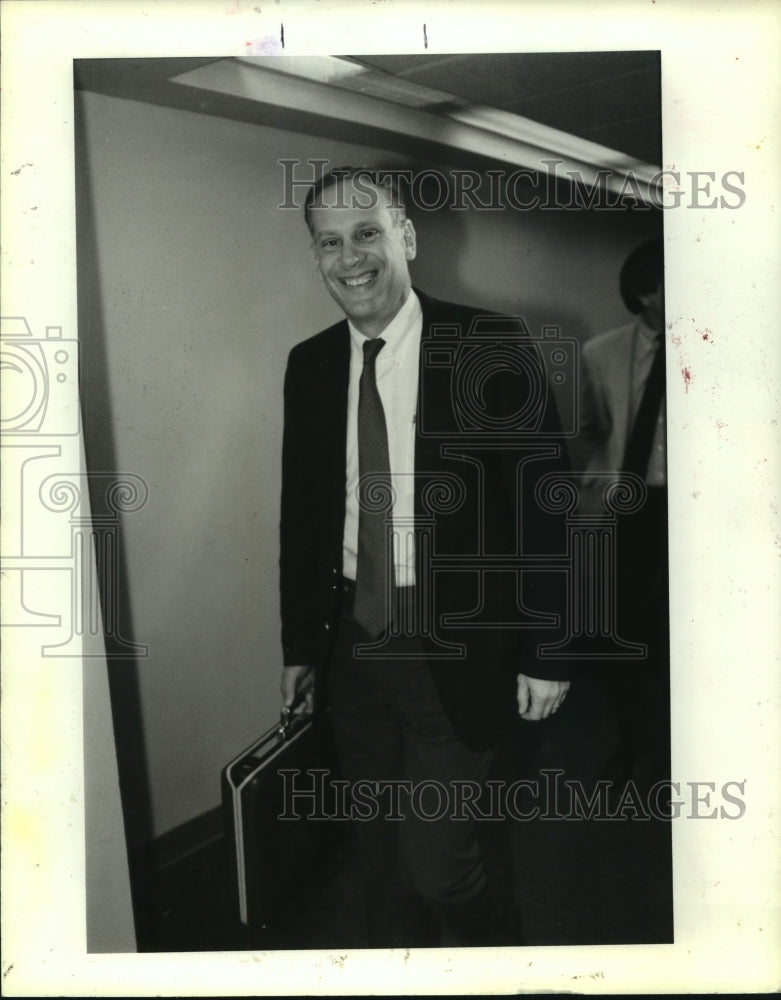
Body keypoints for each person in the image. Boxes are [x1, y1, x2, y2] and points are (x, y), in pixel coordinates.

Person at [278, 165, 572, 948]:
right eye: (329, 242)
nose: (351, 258)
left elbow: (547, 512)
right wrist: (301, 643)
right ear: (315, 256)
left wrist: (547, 651)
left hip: (456, 649)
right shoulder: (308, 364)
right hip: (353, 649)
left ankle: (497, 953)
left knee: (437, 864)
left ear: (405, 236)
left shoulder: (490, 345)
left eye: (367, 233)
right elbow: (301, 516)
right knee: (377, 851)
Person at [578, 238, 670, 789]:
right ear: (645, 291)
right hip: (629, 512)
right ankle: (632, 743)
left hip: (698, 519)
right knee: (625, 637)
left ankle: (675, 755)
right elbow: (592, 433)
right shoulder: (600, 353)